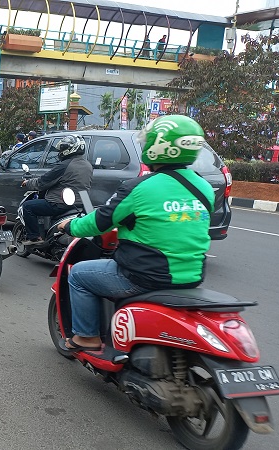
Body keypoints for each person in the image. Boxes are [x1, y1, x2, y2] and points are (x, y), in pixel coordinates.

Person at [57, 115, 214, 352]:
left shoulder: (140, 187)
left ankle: (87, 337)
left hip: (146, 276)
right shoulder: (203, 187)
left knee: (78, 274)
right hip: (192, 276)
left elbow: (100, 222)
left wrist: (70, 226)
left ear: (157, 147)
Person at [19, 134, 93, 247]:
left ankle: (34, 237)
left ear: (70, 149)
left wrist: (27, 183)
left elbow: (42, 182)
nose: (60, 152)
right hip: (83, 202)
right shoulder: (88, 165)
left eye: (62, 149)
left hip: (60, 203)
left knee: (28, 207)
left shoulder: (64, 165)